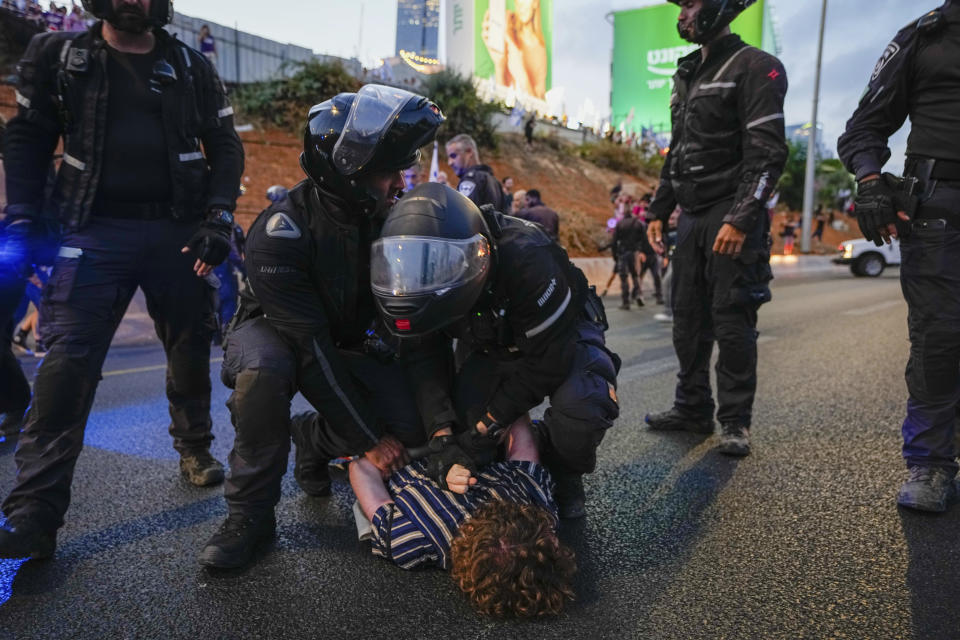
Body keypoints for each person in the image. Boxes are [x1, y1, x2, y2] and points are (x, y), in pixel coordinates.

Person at [0, 0, 244, 561]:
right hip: (90, 232)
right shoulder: (59, 54)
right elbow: (28, 136)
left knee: (187, 344)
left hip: (177, 231)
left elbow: (225, 146)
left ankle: (194, 446)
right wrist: (21, 216)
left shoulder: (191, 66)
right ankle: (33, 514)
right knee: (66, 364)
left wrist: (218, 217)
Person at [197, 84, 445, 569]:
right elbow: (309, 350)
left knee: (413, 426)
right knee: (267, 371)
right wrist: (369, 440)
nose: (399, 182)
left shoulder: (387, 218)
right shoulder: (279, 234)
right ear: (348, 173)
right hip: (275, 332)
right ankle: (249, 516)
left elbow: (413, 322)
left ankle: (312, 437)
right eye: (387, 172)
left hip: (344, 337)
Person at [371, 183, 621, 519]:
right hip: (491, 341)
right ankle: (509, 453)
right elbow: (422, 355)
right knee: (461, 437)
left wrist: (489, 425)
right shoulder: (418, 276)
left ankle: (562, 466)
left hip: (560, 337)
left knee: (582, 407)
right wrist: (441, 435)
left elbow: (547, 364)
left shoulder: (527, 256)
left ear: (479, 254)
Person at [645, 0, 788, 457]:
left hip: (730, 214)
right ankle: (691, 408)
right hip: (690, 217)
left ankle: (735, 422)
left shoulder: (756, 66)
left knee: (732, 319)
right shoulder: (687, 73)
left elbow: (767, 154)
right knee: (686, 318)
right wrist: (656, 210)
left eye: (690, 4)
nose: (683, 14)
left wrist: (741, 219)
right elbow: (678, 151)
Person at [837, 0, 960, 512]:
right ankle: (930, 463)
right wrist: (869, 181)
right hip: (940, 214)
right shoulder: (924, 36)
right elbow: (864, 125)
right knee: (939, 338)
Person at [350, 416, 576, 617]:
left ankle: (317, 438)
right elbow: (361, 469)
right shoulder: (409, 540)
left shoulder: (531, 497)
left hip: (454, 423)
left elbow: (519, 429)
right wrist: (376, 451)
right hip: (400, 443)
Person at [480, 0, 548, 99]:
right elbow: (501, 101)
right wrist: (499, 65)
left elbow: (538, 108)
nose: (521, 5)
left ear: (535, 3)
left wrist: (521, 73)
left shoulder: (539, 49)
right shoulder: (508, 27)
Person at [445, 133, 505, 211]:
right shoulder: (495, 181)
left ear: (469, 152)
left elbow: (464, 214)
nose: (450, 163)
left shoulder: (471, 179)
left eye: (453, 156)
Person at [608, 206, 645, 310]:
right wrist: (641, 251)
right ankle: (637, 294)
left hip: (623, 253)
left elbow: (614, 242)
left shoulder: (620, 224)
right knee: (635, 275)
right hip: (634, 253)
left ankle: (626, 302)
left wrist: (615, 256)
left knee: (624, 278)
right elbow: (643, 239)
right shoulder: (638, 223)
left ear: (623, 214)